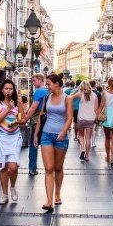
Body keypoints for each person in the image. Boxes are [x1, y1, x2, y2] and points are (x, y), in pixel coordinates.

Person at [35, 74, 71, 212]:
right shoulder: (47, 97)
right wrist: (37, 133)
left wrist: (63, 132)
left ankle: (57, 194)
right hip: (46, 135)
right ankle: (48, 201)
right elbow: (41, 115)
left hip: (61, 136)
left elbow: (69, 118)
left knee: (58, 168)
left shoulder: (67, 98)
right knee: (48, 168)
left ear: (57, 83)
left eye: (49, 84)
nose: (47, 86)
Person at [0, 80, 26, 204]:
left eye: (10, 89)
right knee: (3, 166)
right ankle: (4, 194)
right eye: (6, 88)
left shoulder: (17, 103)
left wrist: (17, 119)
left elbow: (22, 120)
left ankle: (12, 187)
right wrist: (8, 109)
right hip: (0, 137)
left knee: (13, 166)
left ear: (13, 90)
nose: (8, 91)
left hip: (14, 137)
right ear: (2, 90)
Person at [24, 74, 48, 176]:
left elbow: (34, 107)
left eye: (34, 81)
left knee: (34, 144)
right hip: (47, 120)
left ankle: (32, 168)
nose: (33, 83)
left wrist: (25, 118)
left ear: (40, 80)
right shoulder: (48, 91)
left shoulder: (39, 91)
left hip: (37, 120)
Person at [70, 81, 98, 162]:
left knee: (81, 135)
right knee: (88, 138)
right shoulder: (95, 95)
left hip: (81, 118)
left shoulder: (80, 94)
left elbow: (70, 97)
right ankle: (87, 156)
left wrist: (77, 90)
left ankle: (82, 149)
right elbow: (96, 109)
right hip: (91, 118)